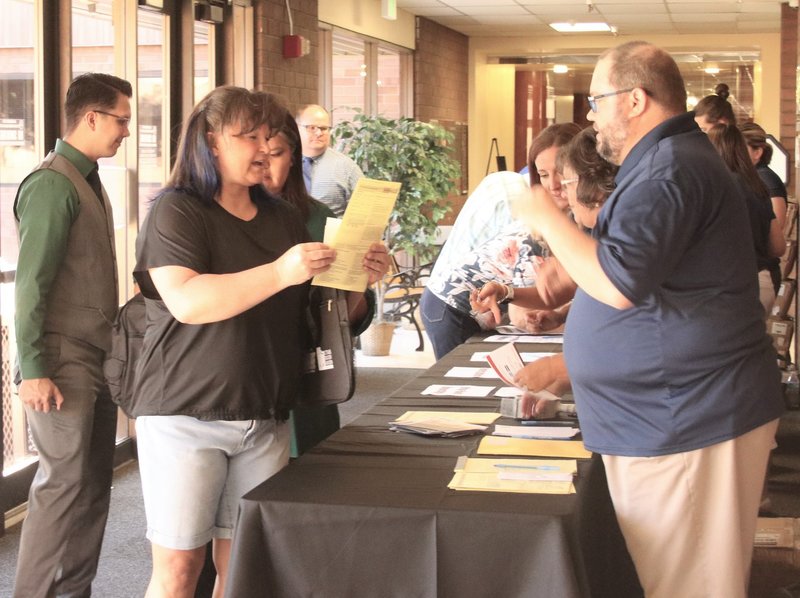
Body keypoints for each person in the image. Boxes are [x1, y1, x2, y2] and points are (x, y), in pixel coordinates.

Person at [517, 41, 783, 597]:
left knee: (691, 586)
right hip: (666, 415)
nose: (590, 116)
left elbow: (616, 283)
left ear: (634, 100)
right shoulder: (661, 164)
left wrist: (545, 214)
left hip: (688, 414)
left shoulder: (667, 170)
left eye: (596, 101)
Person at [131, 86, 336, 598]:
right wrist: (280, 271)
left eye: (270, 137)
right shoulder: (177, 210)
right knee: (180, 568)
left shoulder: (283, 217)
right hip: (186, 414)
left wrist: (354, 278)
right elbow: (188, 301)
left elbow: (307, 316)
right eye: (248, 136)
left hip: (264, 415)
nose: (264, 149)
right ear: (210, 140)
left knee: (244, 569)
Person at [12, 72, 132, 598]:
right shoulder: (51, 183)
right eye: (121, 120)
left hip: (97, 357)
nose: (126, 131)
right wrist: (33, 369)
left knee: (90, 488)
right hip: (61, 362)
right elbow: (29, 287)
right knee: (62, 487)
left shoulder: (89, 179)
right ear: (91, 117)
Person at [261, 96, 390, 454]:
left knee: (310, 478)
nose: (263, 163)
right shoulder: (209, 216)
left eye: (276, 153)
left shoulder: (316, 216)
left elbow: (342, 318)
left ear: (293, 156)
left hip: (310, 374)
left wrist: (362, 280)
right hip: (243, 378)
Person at [473, 127, 618, 416]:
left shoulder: (577, 223)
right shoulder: (571, 221)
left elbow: (621, 303)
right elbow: (560, 291)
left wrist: (561, 367)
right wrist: (558, 313)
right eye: (543, 175)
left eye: (564, 178)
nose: (556, 186)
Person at [419, 122, 581, 359]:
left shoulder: (570, 218)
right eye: (544, 175)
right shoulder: (538, 230)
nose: (553, 185)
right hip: (450, 308)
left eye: (560, 171)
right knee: (468, 386)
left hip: (482, 307)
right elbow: (527, 315)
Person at [707, 122, 785, 314]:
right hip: (761, 281)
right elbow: (777, 246)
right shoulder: (757, 186)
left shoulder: (713, 189)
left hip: (729, 288)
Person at [740, 121, 788, 290]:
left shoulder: (765, 179)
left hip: (763, 269)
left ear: (757, 152)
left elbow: (776, 226)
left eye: (740, 149)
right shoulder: (753, 178)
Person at [296, 103, 363, 216]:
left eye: (323, 128)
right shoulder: (284, 163)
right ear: (296, 128)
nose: (318, 133)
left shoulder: (346, 167)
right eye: (312, 128)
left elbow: (364, 213)